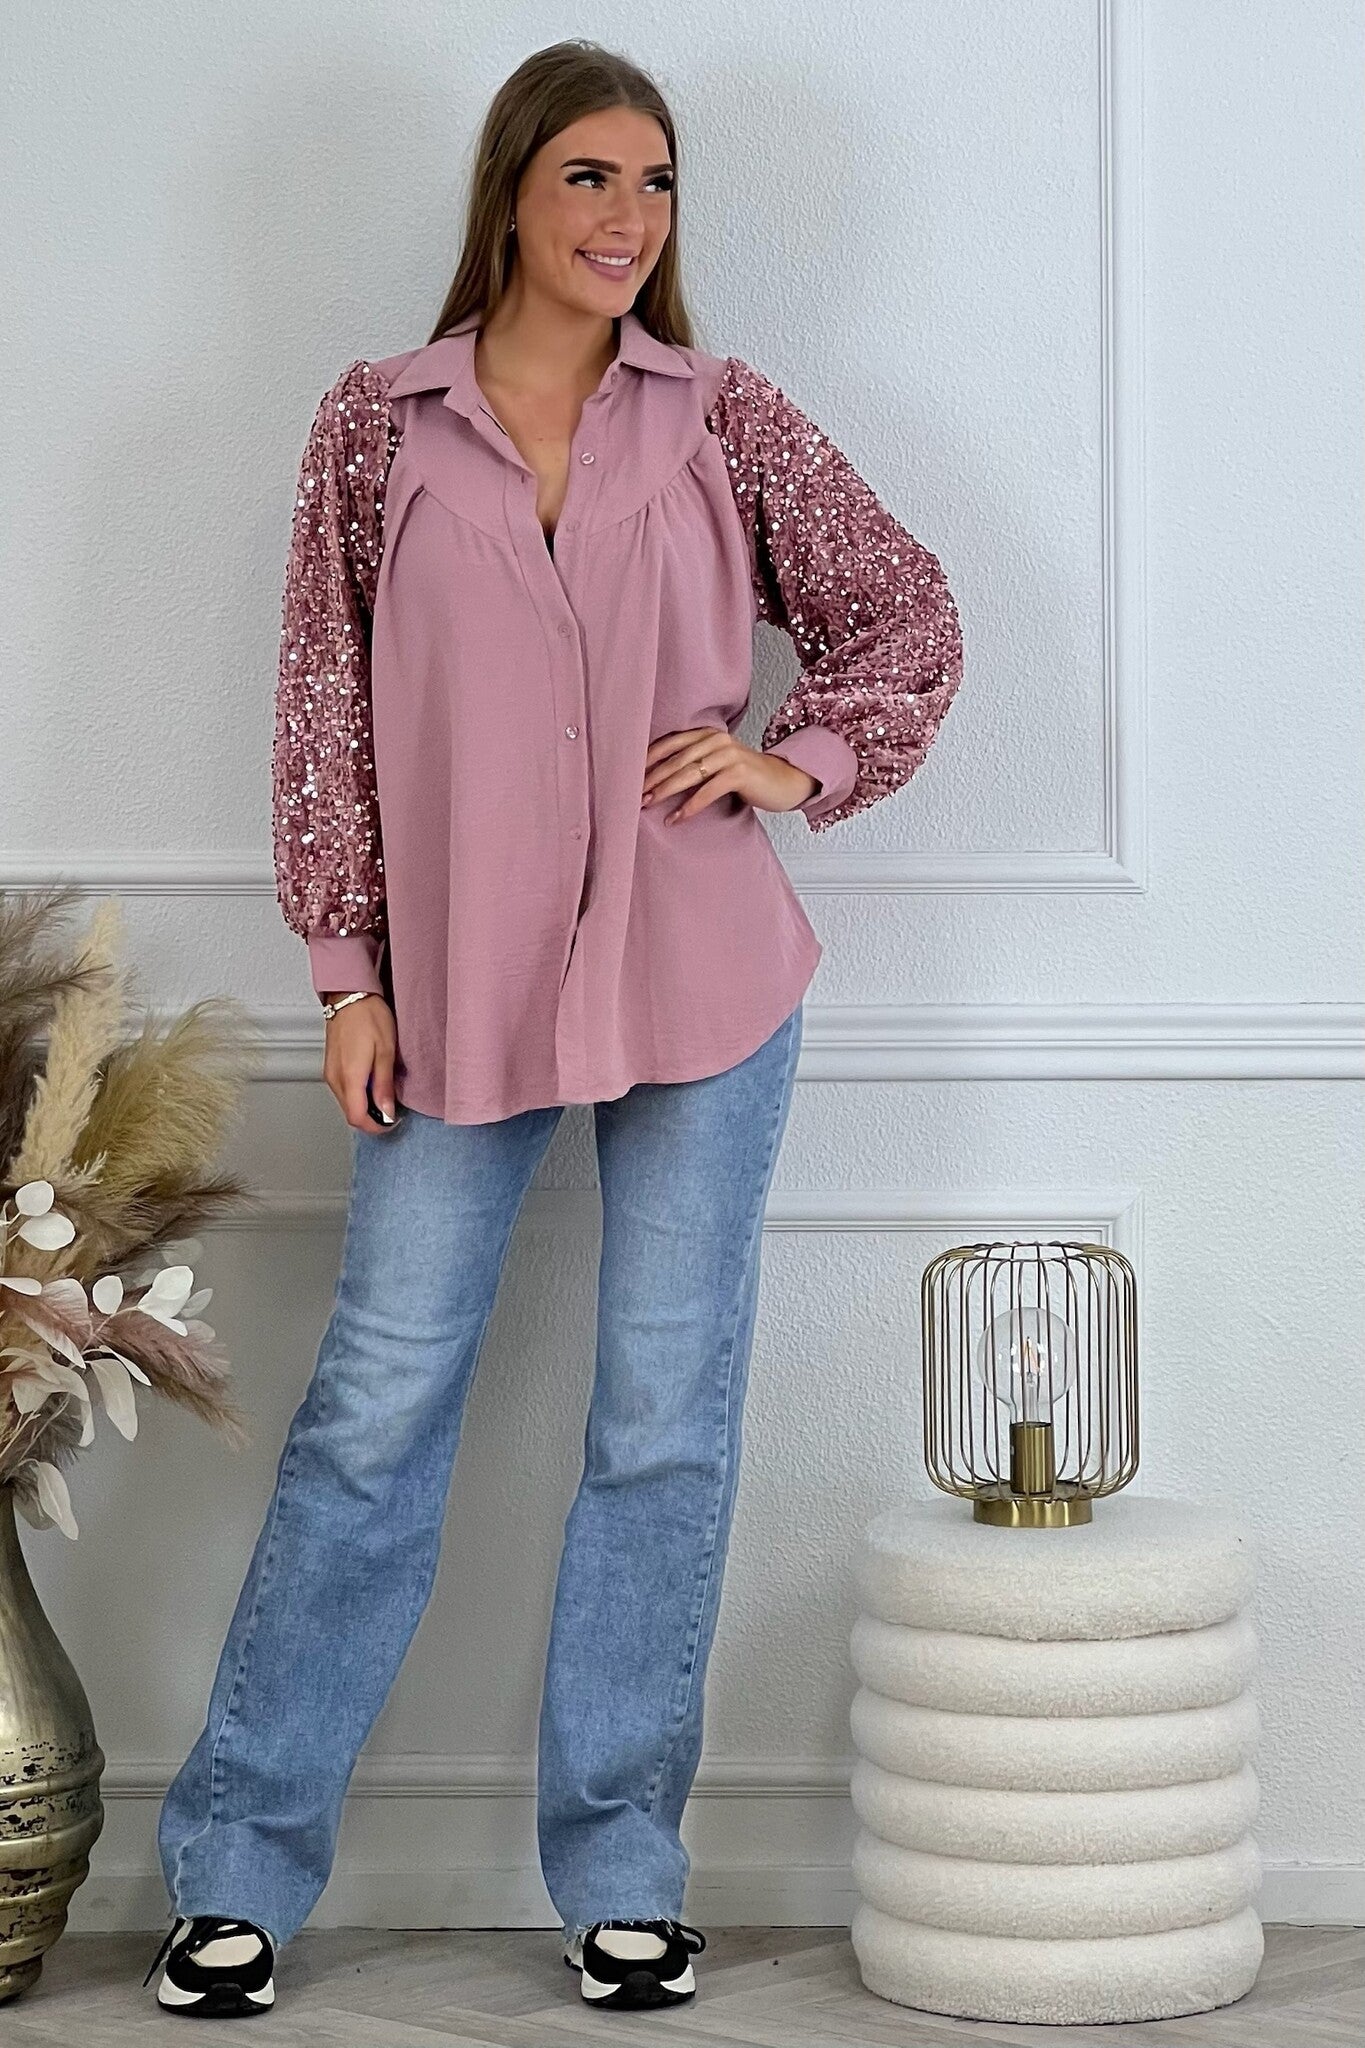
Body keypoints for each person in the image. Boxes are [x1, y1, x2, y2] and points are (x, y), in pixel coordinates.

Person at [145, 36, 963, 2020]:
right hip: (455, 991)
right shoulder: (377, 425)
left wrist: (795, 762)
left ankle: (621, 1875)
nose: (627, 216)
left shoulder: (723, 418)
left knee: (661, 1425)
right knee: (374, 1409)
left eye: (655, 182)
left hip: (702, 972)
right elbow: (323, 706)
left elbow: (906, 612)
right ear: (511, 190)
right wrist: (348, 972)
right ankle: (237, 1869)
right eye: (591, 175)